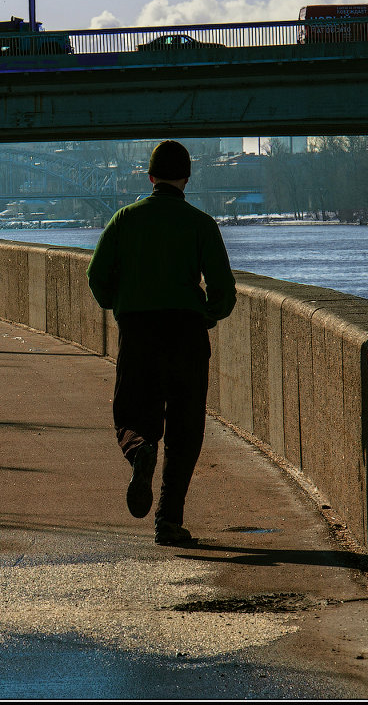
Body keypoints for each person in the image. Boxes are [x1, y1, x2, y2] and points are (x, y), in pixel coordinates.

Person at [86, 140, 237, 546]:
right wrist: (207, 314)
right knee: (185, 427)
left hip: (139, 332)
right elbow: (224, 291)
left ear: (149, 177)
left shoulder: (124, 220)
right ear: (186, 178)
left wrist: (121, 305)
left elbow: (97, 276)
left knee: (132, 409)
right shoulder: (201, 224)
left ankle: (139, 452)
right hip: (186, 333)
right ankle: (168, 520)